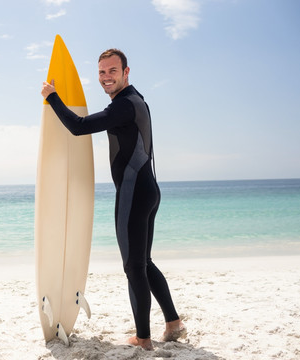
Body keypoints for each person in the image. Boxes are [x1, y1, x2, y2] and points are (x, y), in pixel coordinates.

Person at [41, 48, 186, 351]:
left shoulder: (123, 106)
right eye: (102, 72)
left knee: (134, 268)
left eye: (112, 71)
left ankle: (143, 339)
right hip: (148, 190)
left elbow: (79, 127)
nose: (106, 77)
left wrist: (52, 97)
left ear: (126, 72)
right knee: (143, 262)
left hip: (134, 193)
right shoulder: (138, 101)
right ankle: (173, 323)